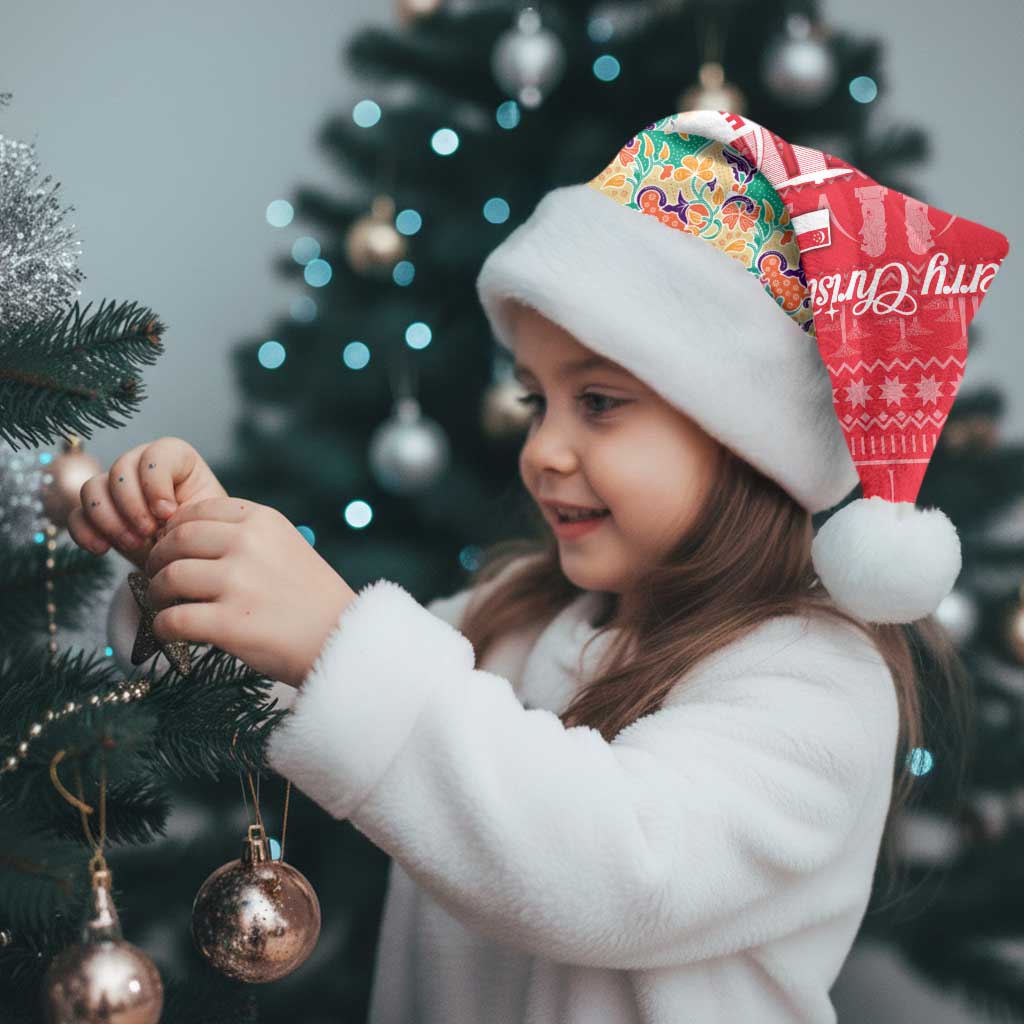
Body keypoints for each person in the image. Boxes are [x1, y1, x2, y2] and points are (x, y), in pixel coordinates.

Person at [72, 109, 1010, 1023]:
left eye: (598, 402)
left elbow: (616, 871)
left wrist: (335, 637)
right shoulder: (514, 616)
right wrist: (191, 566)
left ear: (747, 440)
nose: (543, 450)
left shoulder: (818, 683)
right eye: (535, 402)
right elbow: (306, 693)